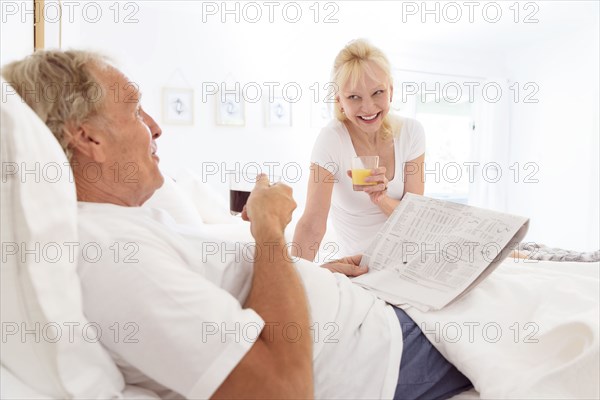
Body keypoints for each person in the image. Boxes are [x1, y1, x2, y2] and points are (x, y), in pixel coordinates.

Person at [2, 50, 472, 400]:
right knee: (503, 306)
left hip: (358, 312)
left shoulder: (119, 228)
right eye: (134, 109)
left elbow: (229, 294)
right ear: (88, 138)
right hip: (376, 349)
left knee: (486, 288)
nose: (155, 127)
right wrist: (268, 231)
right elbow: (282, 391)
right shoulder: (105, 252)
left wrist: (311, 274)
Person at [293, 39, 426, 263]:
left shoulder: (411, 132)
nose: (368, 107)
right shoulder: (332, 140)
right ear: (339, 101)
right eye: (354, 97)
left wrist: (381, 198)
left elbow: (413, 222)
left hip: (413, 260)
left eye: (378, 92)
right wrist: (292, 279)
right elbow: (312, 225)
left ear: (391, 91)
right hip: (364, 267)